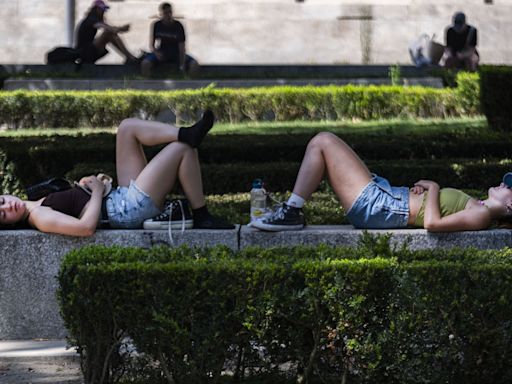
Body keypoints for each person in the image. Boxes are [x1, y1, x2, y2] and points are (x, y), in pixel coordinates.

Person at [0, 111, 234, 236]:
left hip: (119, 198)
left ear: (5, 194)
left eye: (1, 202)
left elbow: (76, 203)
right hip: (125, 211)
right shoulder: (38, 216)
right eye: (2, 216)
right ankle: (202, 214)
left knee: (127, 128)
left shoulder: (36, 200)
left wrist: (89, 185)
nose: (7, 207)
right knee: (182, 150)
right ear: (8, 224)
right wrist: (97, 193)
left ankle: (185, 132)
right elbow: (85, 228)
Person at [251, 132, 512, 232]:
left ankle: (291, 211)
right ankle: (291, 210)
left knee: (323, 142)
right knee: (325, 148)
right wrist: (424, 194)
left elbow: (433, 224)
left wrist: (433, 188)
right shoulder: (478, 207)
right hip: (387, 199)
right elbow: (431, 213)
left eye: (509, 187)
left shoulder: (481, 215)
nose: (504, 184)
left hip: (384, 207)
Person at [141, 2, 199, 77]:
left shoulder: (178, 25)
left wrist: (182, 64)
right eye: (165, 13)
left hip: (176, 53)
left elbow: (182, 46)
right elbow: (152, 45)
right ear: (161, 14)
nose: (168, 15)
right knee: (145, 64)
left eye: (170, 12)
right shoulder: (157, 25)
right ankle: (148, 82)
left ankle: (189, 82)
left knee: (194, 64)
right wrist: (156, 52)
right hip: (162, 51)